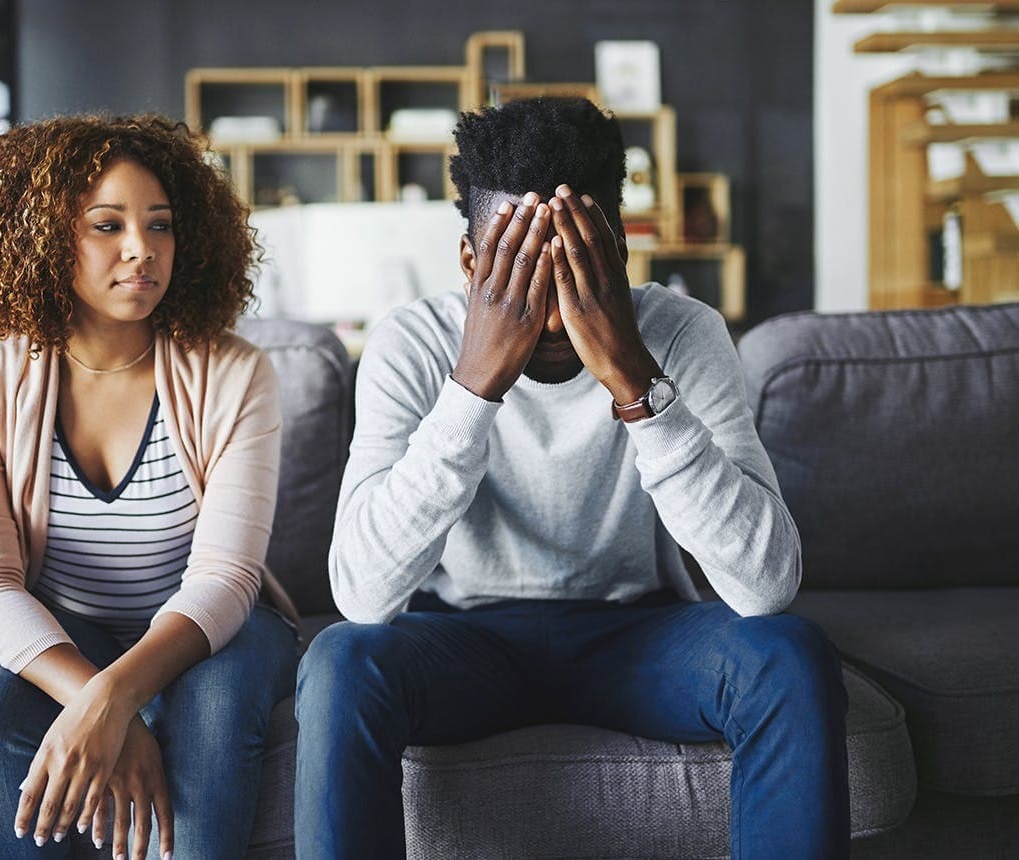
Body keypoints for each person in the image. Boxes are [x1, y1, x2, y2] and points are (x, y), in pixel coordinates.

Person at [293, 97, 850, 859]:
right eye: (519, 268)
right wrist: (474, 387)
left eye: (578, 266)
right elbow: (360, 594)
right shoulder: (412, 342)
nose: (552, 317)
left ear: (618, 252)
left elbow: (766, 585)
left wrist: (633, 383)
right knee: (337, 661)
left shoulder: (683, 333)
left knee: (789, 653)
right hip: (462, 638)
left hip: (636, 633)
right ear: (468, 262)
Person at [0, 114, 299, 860]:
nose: (142, 249)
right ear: (39, 238)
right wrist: (98, 702)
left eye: (159, 225)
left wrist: (115, 695)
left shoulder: (236, 375)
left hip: (213, 629)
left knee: (216, 711)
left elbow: (227, 580)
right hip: (66, 620)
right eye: (107, 224)